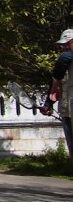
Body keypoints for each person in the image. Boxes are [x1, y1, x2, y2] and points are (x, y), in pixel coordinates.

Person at [40, 28, 73, 162]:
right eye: (62, 45)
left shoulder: (66, 58)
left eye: (67, 43)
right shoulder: (65, 63)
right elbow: (55, 88)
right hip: (66, 110)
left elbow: (65, 57)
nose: (64, 47)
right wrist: (48, 104)